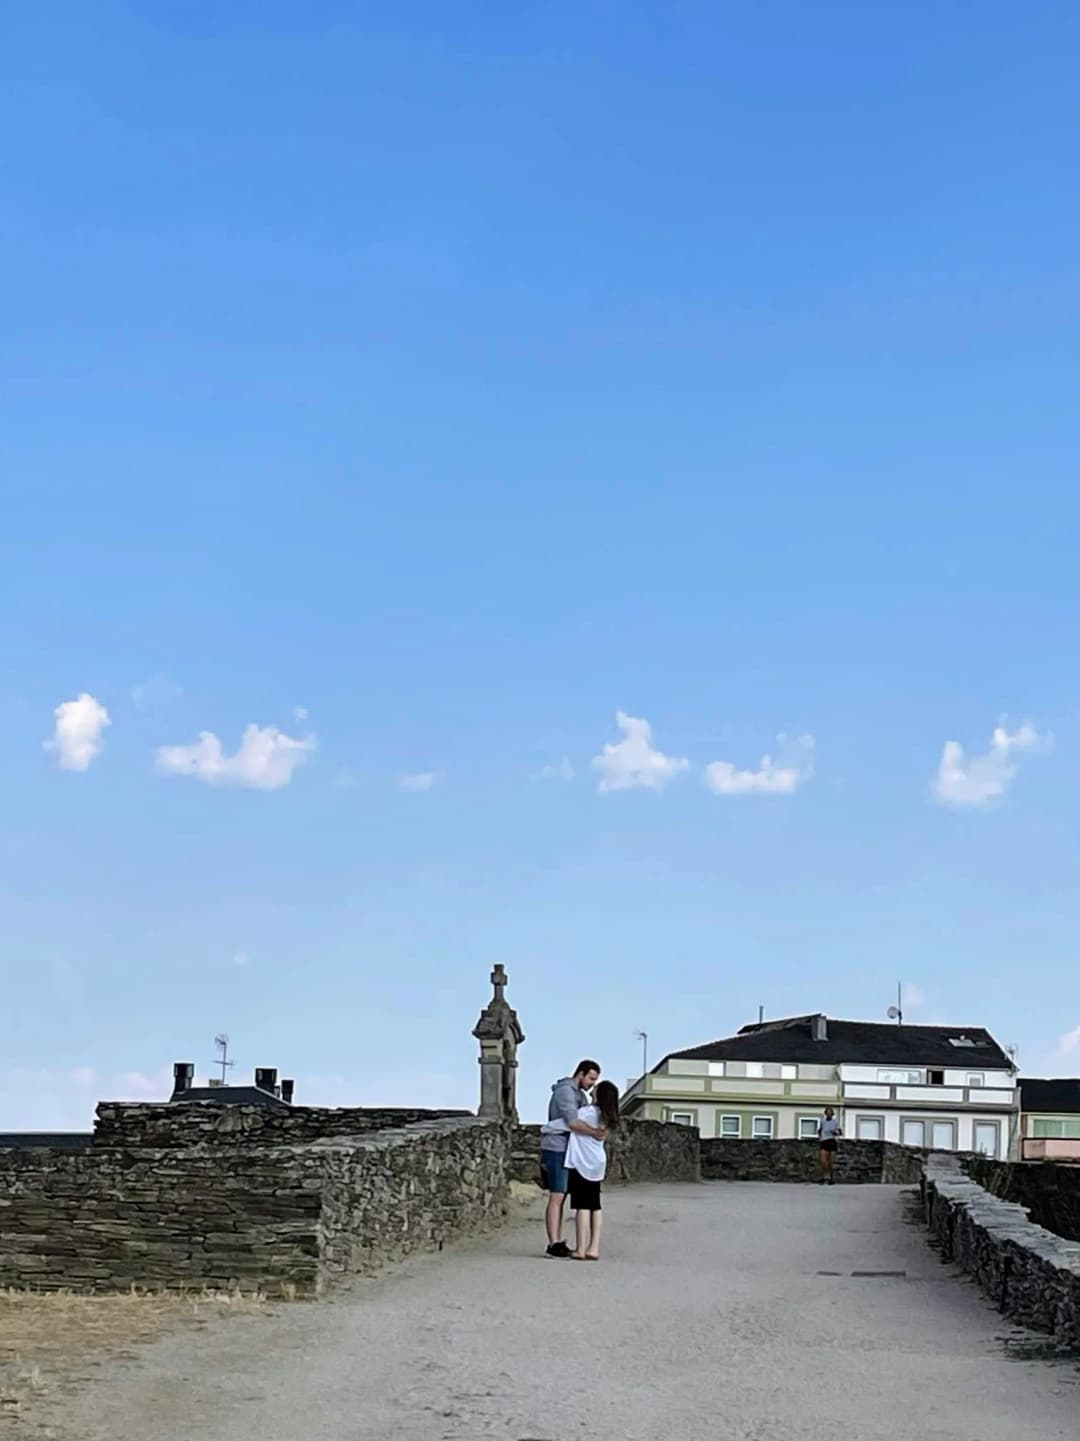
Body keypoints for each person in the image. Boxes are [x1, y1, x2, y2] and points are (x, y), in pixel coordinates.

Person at [539, 1061, 603, 1258]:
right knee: (557, 1194)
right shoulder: (566, 1092)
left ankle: (557, 1241)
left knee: (562, 1194)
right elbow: (573, 1122)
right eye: (591, 1078)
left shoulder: (580, 1096)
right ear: (581, 1074)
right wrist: (594, 1132)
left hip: (568, 1149)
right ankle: (554, 1243)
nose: (592, 1083)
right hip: (557, 1147)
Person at [563, 1080, 620, 1260]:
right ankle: (593, 1247)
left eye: (596, 1089)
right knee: (595, 1205)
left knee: (582, 1206)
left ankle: (580, 1249)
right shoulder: (608, 1118)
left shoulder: (587, 1113)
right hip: (597, 1162)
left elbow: (570, 1122)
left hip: (582, 1161)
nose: (593, 1090)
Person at [817, 1106, 842, 1184]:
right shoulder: (823, 1122)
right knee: (823, 1161)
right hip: (824, 1141)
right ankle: (825, 1177)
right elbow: (819, 1130)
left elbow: (840, 1132)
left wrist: (835, 1132)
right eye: (827, 1112)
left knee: (830, 1162)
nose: (828, 1113)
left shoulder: (835, 1122)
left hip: (832, 1141)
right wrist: (820, 1136)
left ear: (832, 1113)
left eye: (830, 1112)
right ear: (825, 1113)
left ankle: (831, 1178)